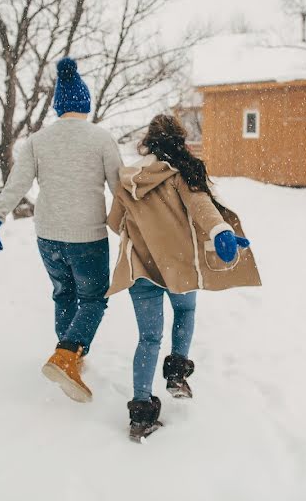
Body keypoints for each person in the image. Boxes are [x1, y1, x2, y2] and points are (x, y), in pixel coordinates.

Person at [0, 57, 122, 403]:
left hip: (48, 236)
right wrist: (137, 226)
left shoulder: (38, 141)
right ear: (85, 104)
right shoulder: (101, 138)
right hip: (87, 237)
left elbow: (16, 184)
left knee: (64, 294)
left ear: (58, 107)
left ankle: (67, 358)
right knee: (93, 298)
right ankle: (67, 356)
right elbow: (120, 190)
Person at [106, 114, 262, 441]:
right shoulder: (181, 171)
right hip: (178, 265)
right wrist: (220, 230)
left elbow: (114, 221)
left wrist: (144, 226)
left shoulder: (129, 177)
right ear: (179, 139)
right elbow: (202, 205)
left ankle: (140, 412)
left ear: (147, 141)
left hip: (140, 268)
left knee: (148, 338)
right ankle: (176, 372)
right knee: (185, 311)